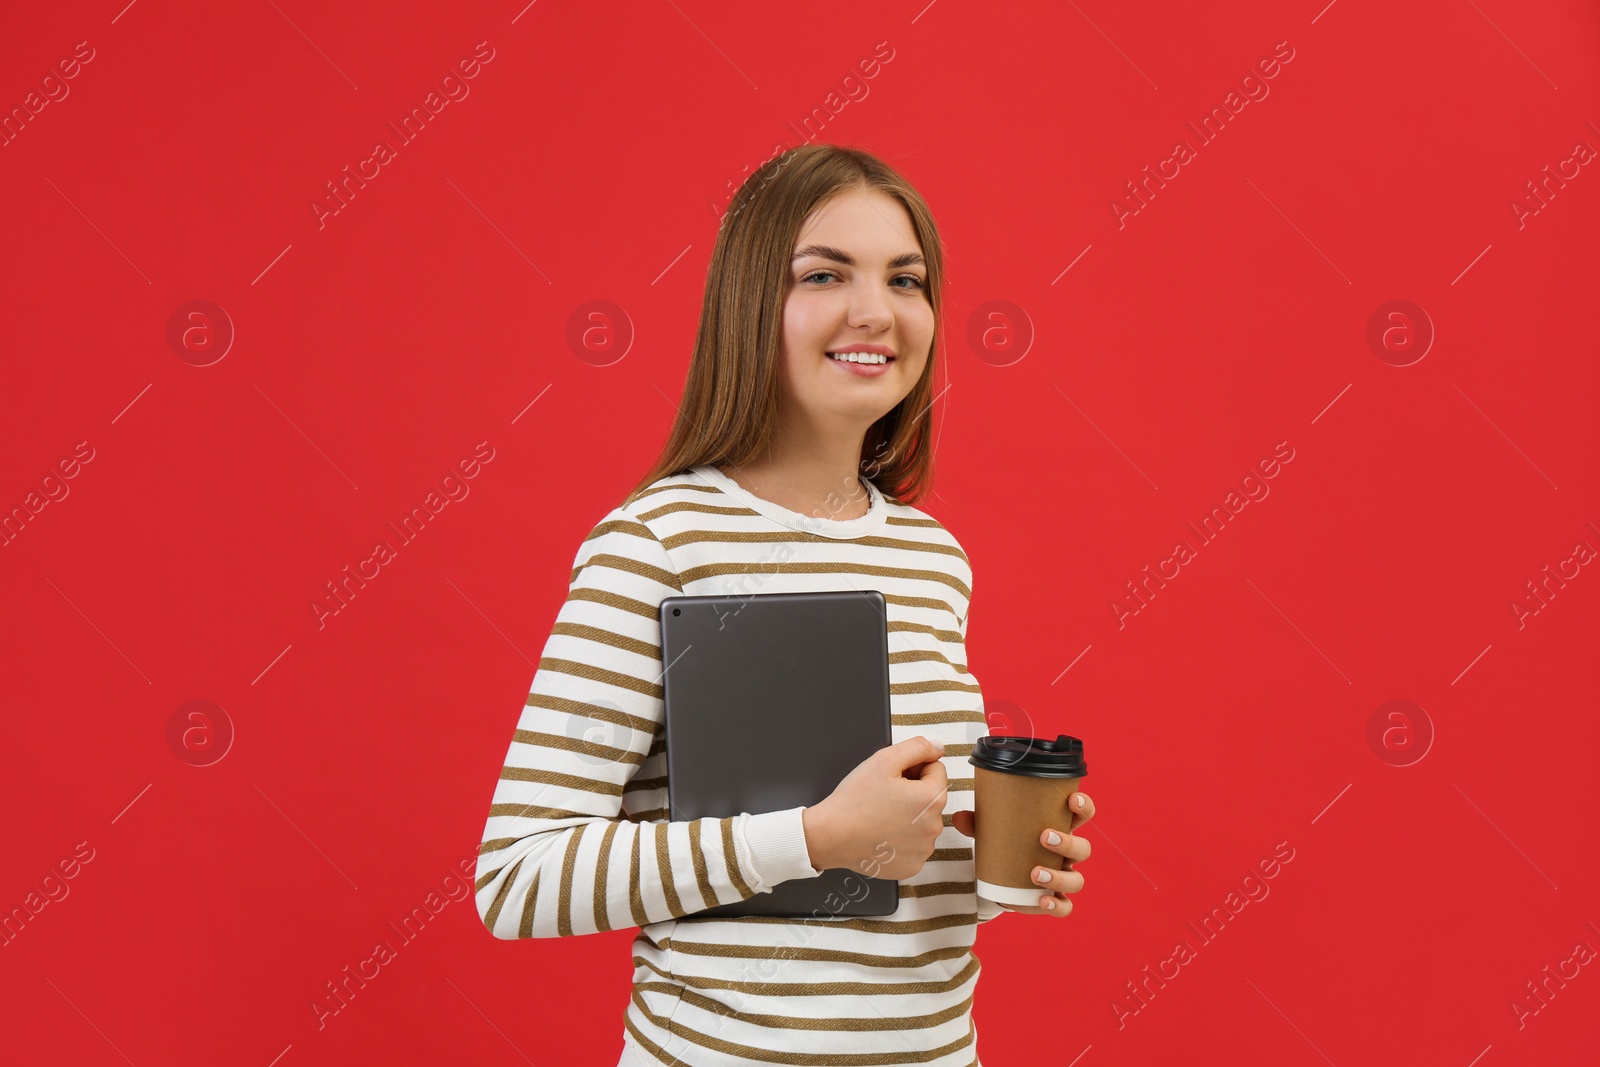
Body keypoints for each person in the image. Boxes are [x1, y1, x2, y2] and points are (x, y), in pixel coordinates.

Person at [473, 143, 1097, 1067]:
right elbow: (516, 880)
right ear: (747, 304)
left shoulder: (932, 557)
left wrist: (1003, 861)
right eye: (824, 274)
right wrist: (813, 836)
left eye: (907, 278)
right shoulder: (657, 543)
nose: (876, 312)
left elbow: (878, 904)